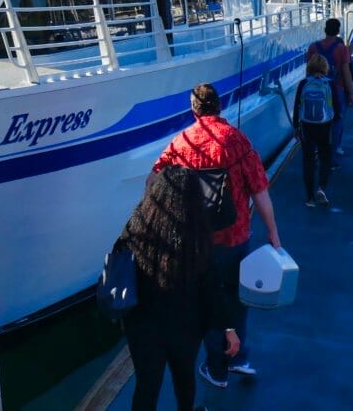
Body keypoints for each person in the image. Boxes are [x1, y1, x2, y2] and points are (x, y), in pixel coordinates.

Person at [152, 83, 281, 387]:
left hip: (198, 243)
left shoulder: (181, 142)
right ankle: (239, 359)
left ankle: (217, 369)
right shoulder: (237, 141)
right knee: (238, 300)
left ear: (194, 109)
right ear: (219, 107)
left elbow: (153, 181)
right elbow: (260, 192)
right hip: (237, 239)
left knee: (209, 304)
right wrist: (273, 234)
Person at [119, 166, 238, 411]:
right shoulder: (196, 238)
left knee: (146, 385)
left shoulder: (135, 227)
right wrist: (228, 327)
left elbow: (119, 267)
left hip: (141, 326)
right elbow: (212, 290)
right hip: (186, 327)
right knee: (184, 379)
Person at [306, 18, 353, 160]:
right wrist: (351, 93)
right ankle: (332, 157)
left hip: (316, 88)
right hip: (336, 89)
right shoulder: (342, 49)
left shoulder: (313, 47)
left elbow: (308, 71)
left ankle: (314, 152)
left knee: (314, 120)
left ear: (325, 29)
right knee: (337, 121)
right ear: (338, 31)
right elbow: (346, 72)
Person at [294, 55, 335, 207]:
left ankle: (310, 198)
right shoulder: (329, 84)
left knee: (308, 161)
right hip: (325, 126)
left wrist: (296, 128)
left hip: (307, 127)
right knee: (325, 159)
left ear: (309, 68)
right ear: (325, 68)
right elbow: (335, 108)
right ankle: (321, 188)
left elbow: (297, 107)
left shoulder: (304, 83)